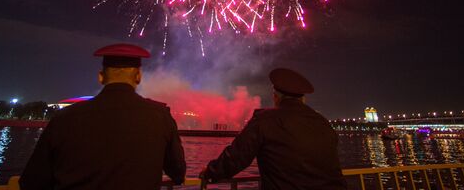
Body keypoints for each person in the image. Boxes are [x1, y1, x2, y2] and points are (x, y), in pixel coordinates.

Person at [19, 43, 186, 190]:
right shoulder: (160, 116)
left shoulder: (65, 118)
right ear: (138, 77)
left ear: (101, 77)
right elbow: (178, 173)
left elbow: (31, 182)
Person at [200, 68, 346, 190]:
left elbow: (237, 157)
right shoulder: (323, 122)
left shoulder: (264, 119)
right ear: (303, 99)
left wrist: (210, 172)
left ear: (276, 97)